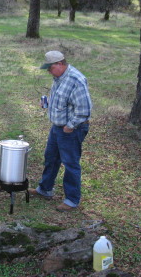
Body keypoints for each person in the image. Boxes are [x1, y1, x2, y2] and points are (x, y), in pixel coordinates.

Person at [29, 50, 92, 211]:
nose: (49, 72)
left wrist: (69, 126)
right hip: (57, 127)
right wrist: (48, 103)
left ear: (60, 64)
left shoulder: (76, 80)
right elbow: (63, 100)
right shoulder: (58, 77)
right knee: (51, 157)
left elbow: (84, 110)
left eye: (50, 68)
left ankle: (72, 200)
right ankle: (45, 189)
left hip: (72, 129)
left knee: (70, 163)